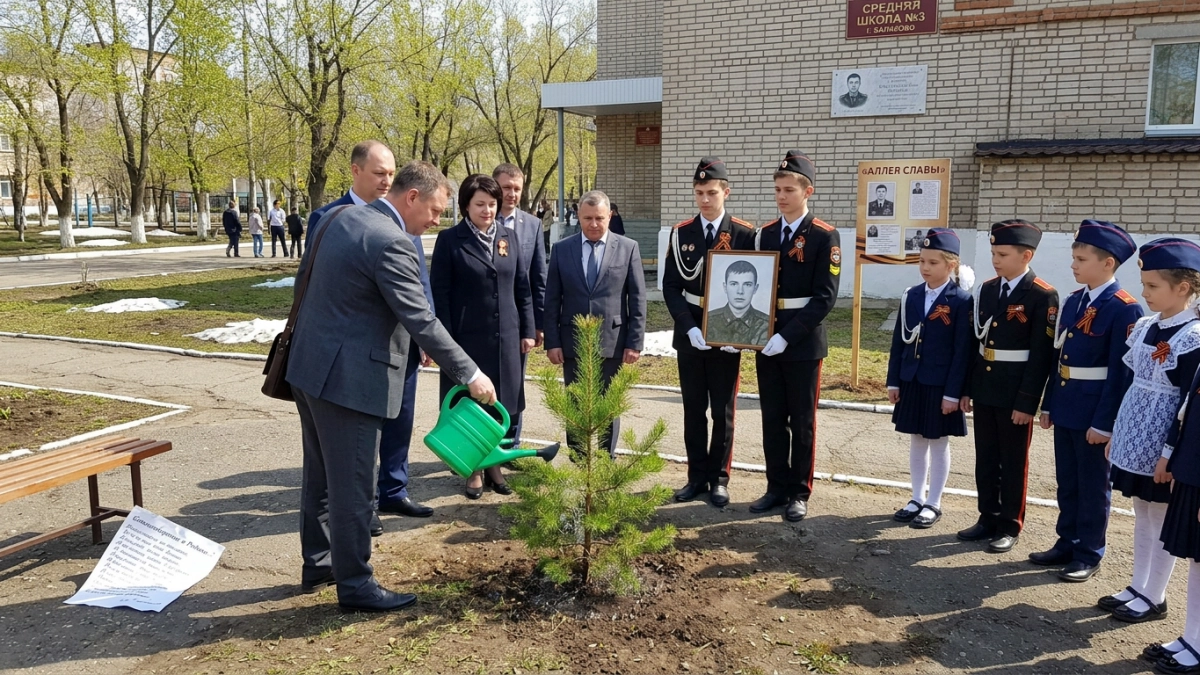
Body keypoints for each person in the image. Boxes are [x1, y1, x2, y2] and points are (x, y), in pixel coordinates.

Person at [285, 162, 496, 613]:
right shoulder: (394, 241)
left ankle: (320, 563)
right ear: (412, 198)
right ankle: (357, 585)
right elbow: (421, 318)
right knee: (355, 486)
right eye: (437, 210)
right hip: (350, 382)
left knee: (321, 479)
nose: (438, 220)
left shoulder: (339, 217)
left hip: (308, 369)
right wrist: (472, 374)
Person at [1032, 221, 1142, 583]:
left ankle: (1089, 551)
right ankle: (1067, 541)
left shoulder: (1124, 309)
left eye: (1081, 259)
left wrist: (1105, 423)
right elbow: (1057, 357)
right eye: (1074, 258)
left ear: (1108, 263)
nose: (1074, 266)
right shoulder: (1075, 300)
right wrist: (1048, 405)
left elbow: (1120, 374)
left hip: (1095, 411)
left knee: (1094, 485)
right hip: (1066, 404)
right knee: (1068, 480)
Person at [1099, 238, 1200, 627]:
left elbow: (1187, 406)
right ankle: (1138, 585)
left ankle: (1155, 594)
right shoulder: (1144, 327)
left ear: (1183, 288)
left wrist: (1169, 452)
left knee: (1159, 516)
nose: (1145, 293)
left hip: (1160, 444)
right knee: (1141, 511)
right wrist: (1116, 433)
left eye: (1154, 286)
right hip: (1134, 435)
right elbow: (1130, 383)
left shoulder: (1191, 338)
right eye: (1143, 284)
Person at [431, 174, 535, 498]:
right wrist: (445, 344)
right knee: (471, 405)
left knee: (501, 402)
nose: (488, 210)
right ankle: (473, 469)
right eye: (480, 204)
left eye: (492, 204)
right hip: (466, 340)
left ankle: (494, 465)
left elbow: (523, 288)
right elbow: (440, 296)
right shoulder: (450, 240)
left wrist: (529, 330)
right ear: (465, 206)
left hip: (506, 338)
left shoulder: (509, 237)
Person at [958, 220, 1059, 553]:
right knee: (985, 457)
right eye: (993, 253)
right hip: (986, 387)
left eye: (1002, 254)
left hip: (1015, 392)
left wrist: (1027, 402)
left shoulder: (1042, 294)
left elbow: (1041, 356)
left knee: (1013, 460)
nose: (995, 260)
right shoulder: (988, 289)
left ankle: (1009, 524)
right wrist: (968, 388)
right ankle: (987, 516)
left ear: (1026, 255)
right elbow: (977, 342)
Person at [751, 150, 840, 523]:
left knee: (801, 419)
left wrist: (787, 336)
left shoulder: (823, 236)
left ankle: (799, 491)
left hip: (801, 342)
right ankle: (776, 487)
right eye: (777, 189)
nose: (781, 196)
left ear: (808, 191)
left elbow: (825, 297)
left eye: (788, 189)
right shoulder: (766, 234)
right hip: (765, 338)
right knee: (772, 417)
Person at [662, 156, 756, 508]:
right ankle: (695, 476)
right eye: (699, 192)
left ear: (725, 192)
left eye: (711, 192)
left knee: (723, 411)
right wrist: (688, 327)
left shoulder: (745, 233)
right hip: (691, 335)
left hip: (728, 333)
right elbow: (671, 286)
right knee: (693, 409)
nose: (704, 199)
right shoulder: (681, 232)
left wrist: (740, 334)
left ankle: (719, 478)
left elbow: (756, 288)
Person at [543, 190, 646, 458]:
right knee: (575, 404)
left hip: (612, 341)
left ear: (609, 216)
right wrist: (552, 342)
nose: (594, 224)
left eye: (599, 218)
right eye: (587, 218)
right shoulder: (561, 250)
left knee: (608, 407)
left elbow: (637, 299)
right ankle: (579, 461)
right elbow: (552, 299)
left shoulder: (627, 248)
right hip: (572, 342)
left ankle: (605, 460)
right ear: (578, 216)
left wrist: (634, 342)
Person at [886, 228, 974, 529]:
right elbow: (900, 341)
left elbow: (963, 351)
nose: (925, 267)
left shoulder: (961, 300)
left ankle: (934, 501)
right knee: (916, 439)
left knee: (937, 441)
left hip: (940, 383)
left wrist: (954, 392)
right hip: (912, 378)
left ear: (951, 266)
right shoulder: (911, 295)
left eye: (933, 262)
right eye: (921, 261)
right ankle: (915, 496)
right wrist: (894, 380)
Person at [1151, 266, 1200, 669]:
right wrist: (1171, 454)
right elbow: (1187, 411)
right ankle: (1193, 637)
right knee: (1198, 560)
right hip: (1192, 467)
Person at [493, 163, 548, 447]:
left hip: (518, 320)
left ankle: (510, 444)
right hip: (486, 320)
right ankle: (482, 446)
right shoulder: (481, 220)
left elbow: (539, 278)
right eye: (506, 188)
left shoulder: (533, 225)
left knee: (514, 385)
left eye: (516, 188)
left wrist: (537, 323)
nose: (512, 194)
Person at [307, 140, 396, 245]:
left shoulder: (399, 217)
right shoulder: (325, 218)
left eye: (391, 174)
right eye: (380, 173)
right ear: (356, 171)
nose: (388, 182)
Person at [705, 260, 771, 347]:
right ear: (725, 287)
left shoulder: (766, 324)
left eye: (747, 285)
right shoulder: (708, 320)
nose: (740, 291)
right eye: (734, 284)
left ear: (755, 288)